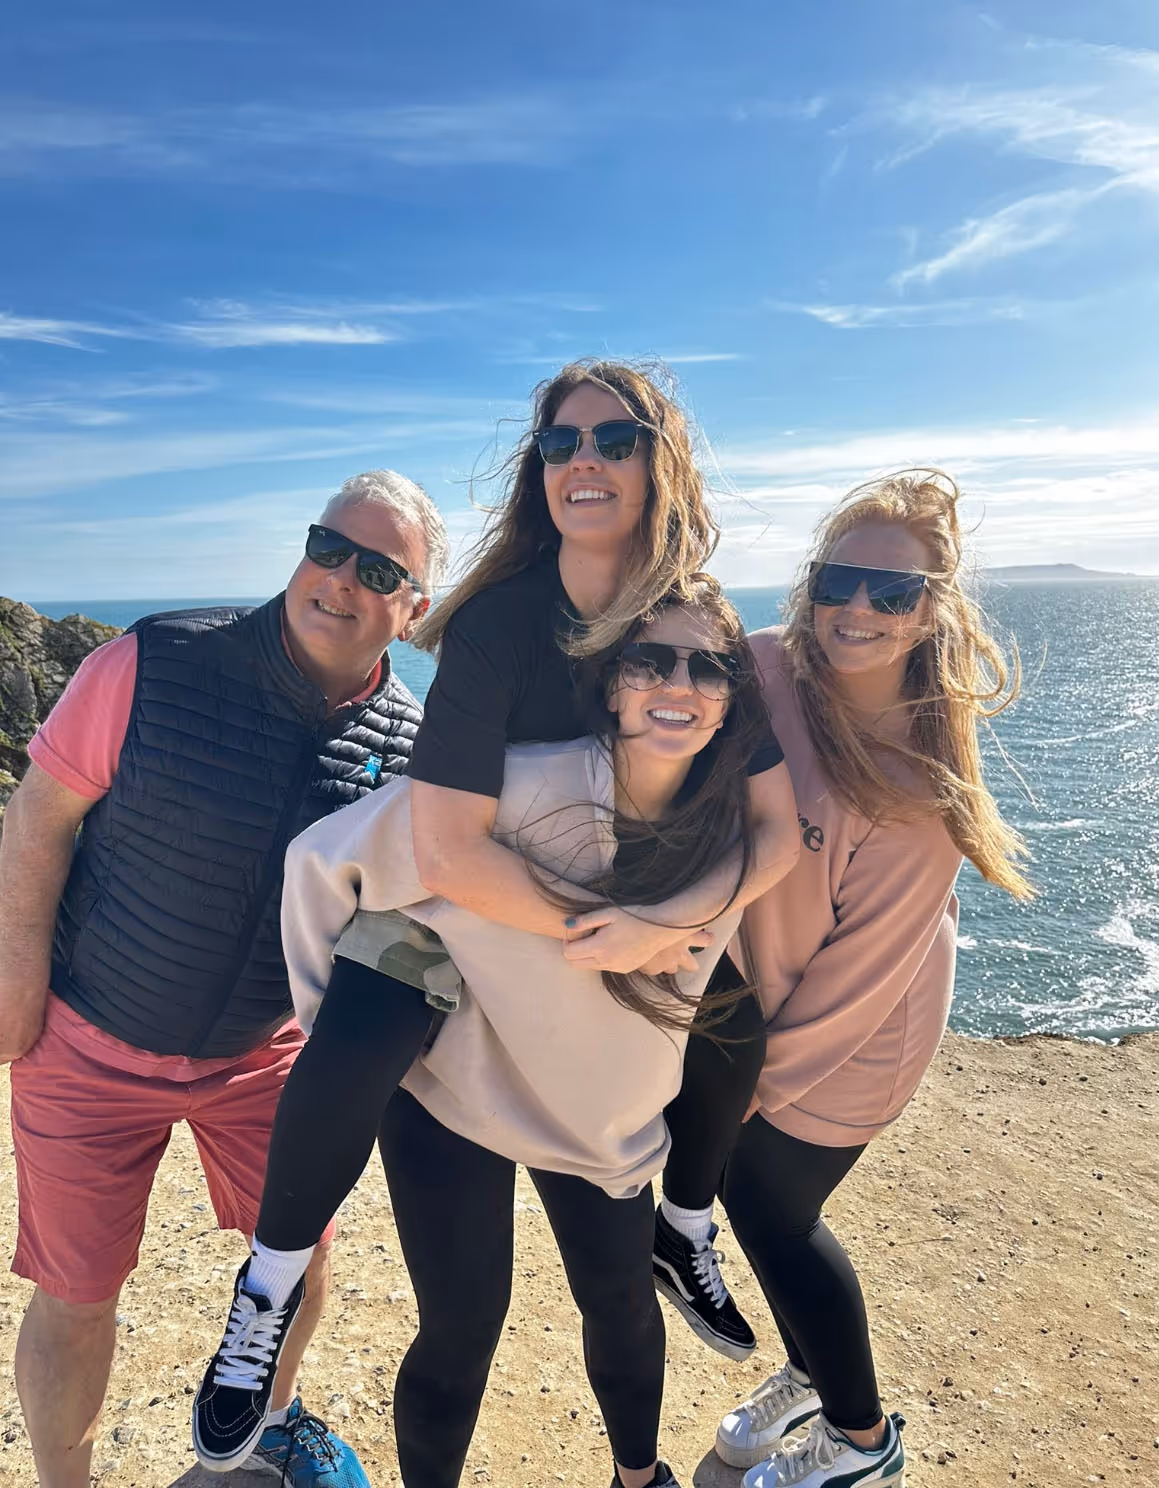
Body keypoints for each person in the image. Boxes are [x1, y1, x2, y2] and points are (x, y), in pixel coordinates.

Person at [197, 358, 800, 1396]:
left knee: (732, 1028)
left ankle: (684, 1224)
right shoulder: (501, 624)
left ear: (659, 466)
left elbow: (778, 830)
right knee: (362, 1032)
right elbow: (447, 854)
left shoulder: (687, 625)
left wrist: (668, 920)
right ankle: (270, 1284)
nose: (584, 460)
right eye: (562, 442)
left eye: (615, 440)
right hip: (454, 885)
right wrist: (608, 929)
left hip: (607, 881)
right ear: (540, 471)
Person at [203, 582, 776, 1488]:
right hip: (453, 1081)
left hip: (588, 1102)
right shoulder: (524, 785)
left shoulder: (728, 834)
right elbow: (329, 859)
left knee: (624, 1300)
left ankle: (640, 1477)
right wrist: (342, 1022)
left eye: (709, 667)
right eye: (651, 659)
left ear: (733, 699)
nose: (680, 682)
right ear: (612, 685)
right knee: (462, 1324)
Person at [0, 470, 448, 1488]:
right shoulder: (151, 660)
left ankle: (261, 1435)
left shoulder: (408, 745)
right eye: (328, 546)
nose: (341, 577)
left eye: (380, 570)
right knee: (77, 1295)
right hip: (89, 1032)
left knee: (301, 1255)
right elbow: (38, 819)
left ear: (415, 609)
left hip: (265, 1054)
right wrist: (15, 986)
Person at [693, 472, 1033, 1488]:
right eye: (838, 581)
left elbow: (859, 983)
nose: (858, 609)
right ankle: (809, 1374)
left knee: (772, 1209)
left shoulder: (920, 789)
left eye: (894, 593)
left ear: (932, 612)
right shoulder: (762, 667)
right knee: (744, 1192)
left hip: (864, 1031)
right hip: (764, 995)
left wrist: (744, 1090)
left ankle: (860, 1439)